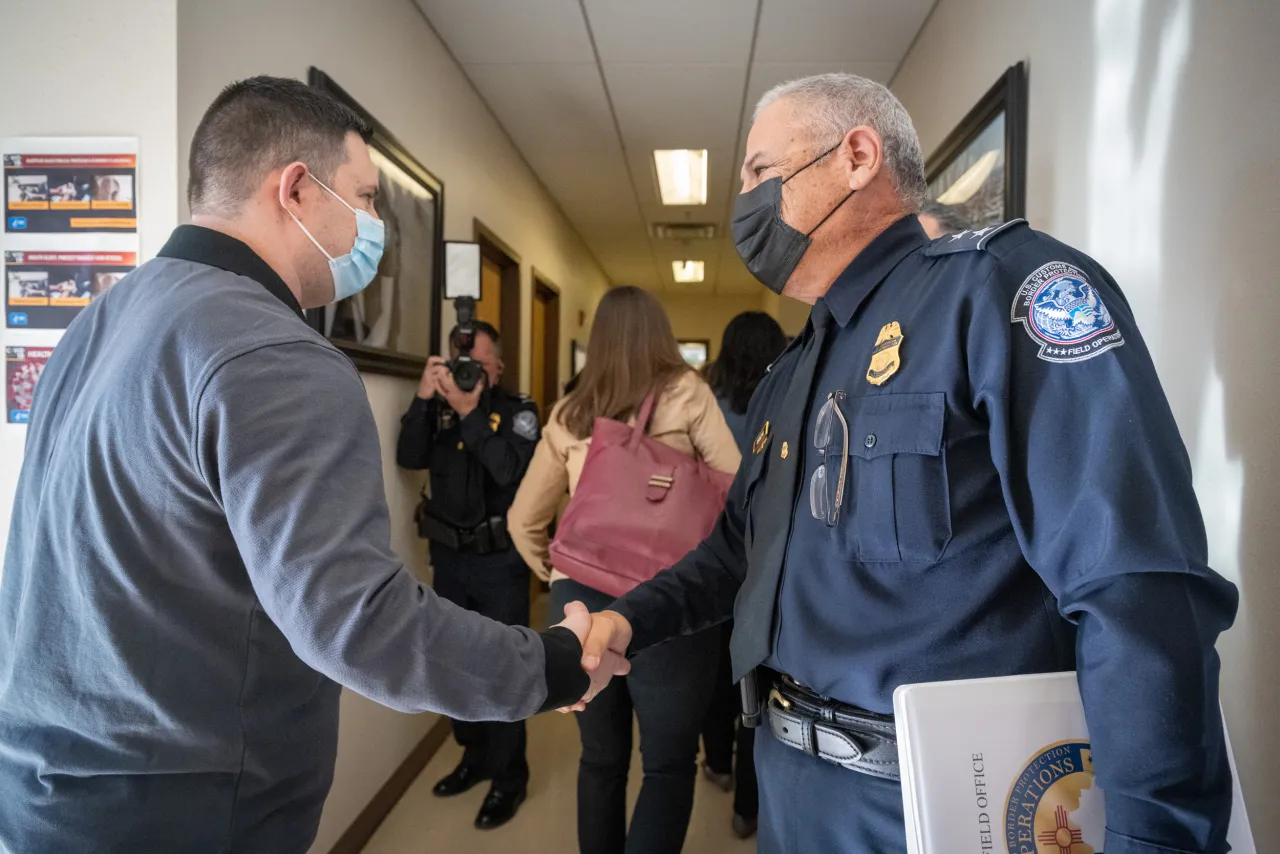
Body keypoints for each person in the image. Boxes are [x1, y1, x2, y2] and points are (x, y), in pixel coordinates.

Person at [579, 72, 1238, 854]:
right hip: (793, 787)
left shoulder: (999, 291)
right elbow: (737, 552)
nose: (744, 203)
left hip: (950, 800)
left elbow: (1135, 584)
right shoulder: (791, 372)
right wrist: (629, 617)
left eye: (759, 172)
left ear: (858, 155)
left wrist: (1157, 837)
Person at [0, 76, 624, 854]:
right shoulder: (275, 353)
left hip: (43, 792)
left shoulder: (100, 320)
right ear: (296, 188)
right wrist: (557, 665)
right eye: (365, 197)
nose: (374, 226)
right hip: (186, 812)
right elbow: (359, 622)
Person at [508, 286, 741, 854]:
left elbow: (522, 521)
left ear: (599, 342)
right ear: (658, 335)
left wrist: (560, 573)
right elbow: (737, 488)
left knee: (600, 759)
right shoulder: (688, 393)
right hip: (672, 597)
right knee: (667, 763)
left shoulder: (569, 413)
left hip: (580, 604)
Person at [397, 320, 540, 830]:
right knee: (452, 666)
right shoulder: (437, 410)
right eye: (461, 364)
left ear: (497, 368)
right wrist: (421, 399)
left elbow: (509, 471)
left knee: (504, 671)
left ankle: (509, 777)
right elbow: (408, 456)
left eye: (478, 365)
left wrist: (472, 414)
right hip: (449, 563)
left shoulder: (519, 413)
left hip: (500, 565)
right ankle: (473, 757)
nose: (468, 373)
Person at [700, 311, 787, 839]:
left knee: (713, 675)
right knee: (755, 682)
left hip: (712, 557)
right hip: (767, 561)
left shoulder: (707, 404)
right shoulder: (783, 399)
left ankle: (716, 764)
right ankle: (747, 809)